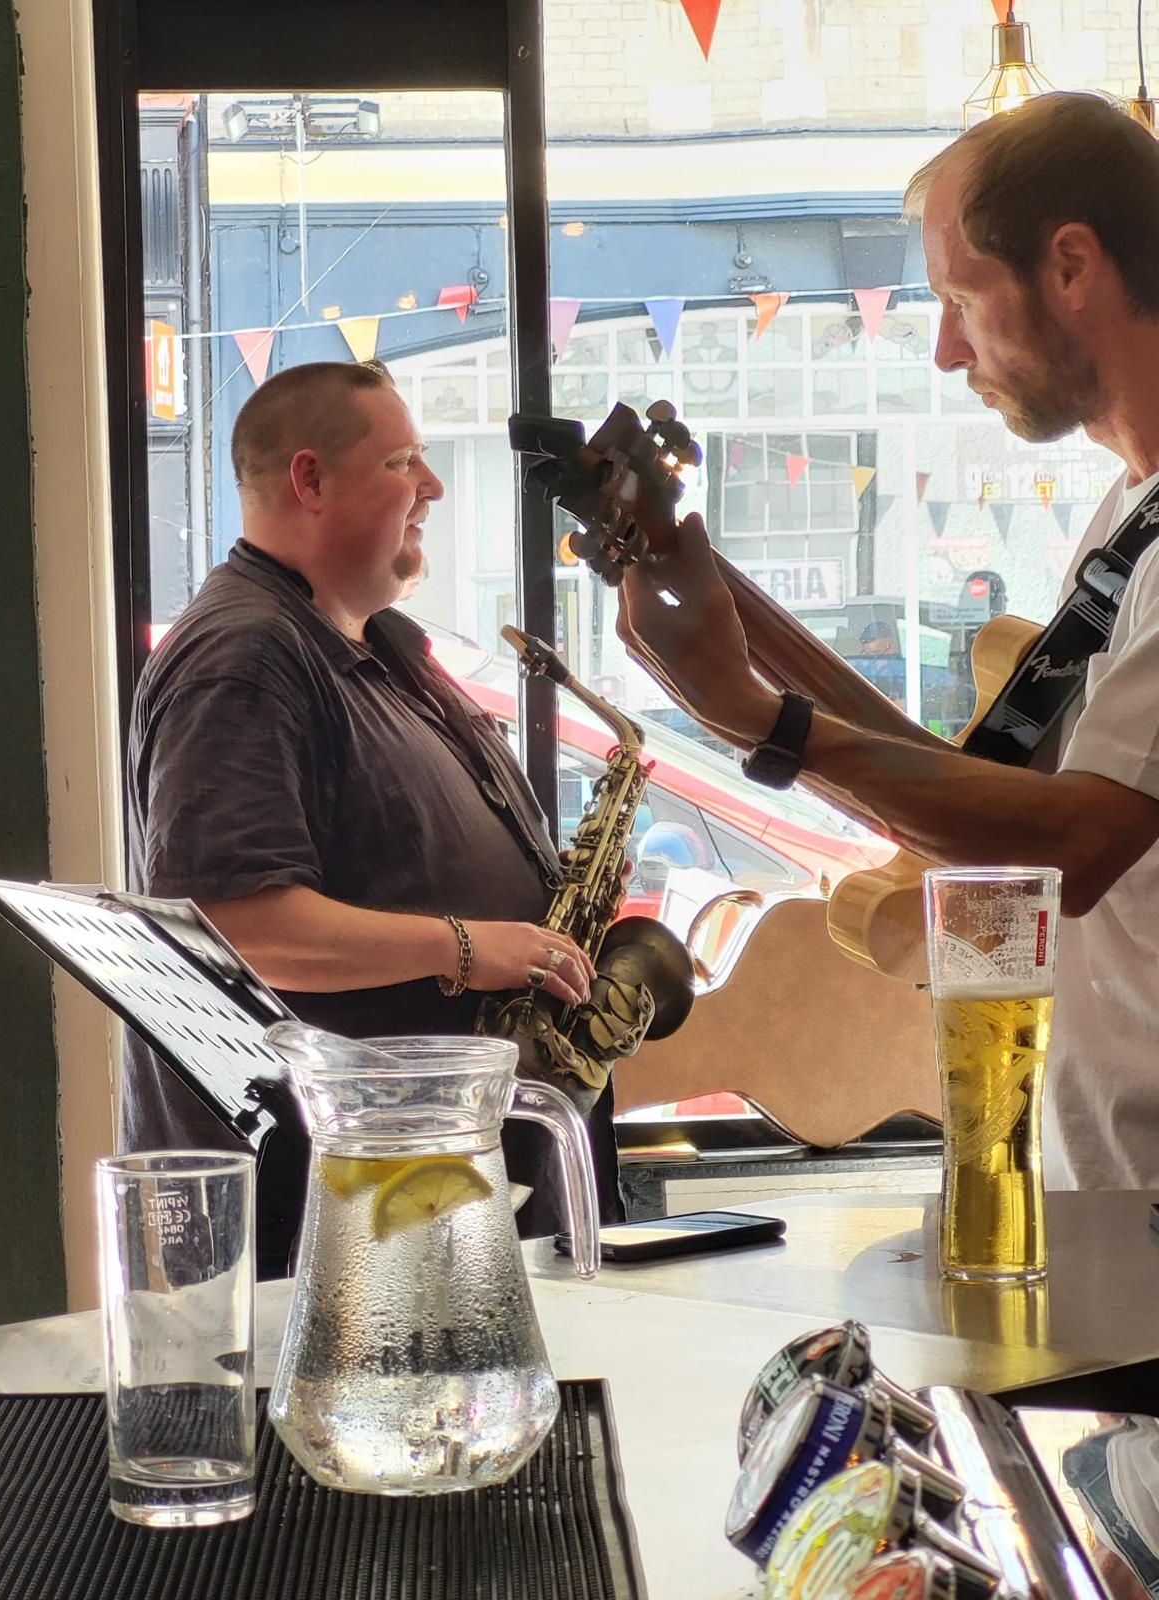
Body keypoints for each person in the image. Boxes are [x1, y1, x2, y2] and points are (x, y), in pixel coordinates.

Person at [614, 92, 1159, 1192]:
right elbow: (991, 797)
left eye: (962, 296)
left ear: (1071, 264)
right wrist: (738, 617)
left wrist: (767, 726)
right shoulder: (1129, 515)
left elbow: (1082, 845)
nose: (950, 350)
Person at [123, 359, 623, 1245]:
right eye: (404, 464)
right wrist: (471, 948)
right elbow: (240, 921)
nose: (430, 486)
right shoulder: (243, 655)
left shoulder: (377, 641)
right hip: (338, 1218)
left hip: (427, 1192)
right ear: (308, 479)